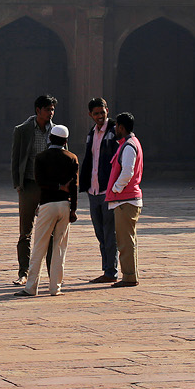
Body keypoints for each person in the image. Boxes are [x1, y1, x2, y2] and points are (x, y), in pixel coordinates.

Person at [17, 124, 78, 296]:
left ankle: (31, 288)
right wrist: (73, 209)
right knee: (59, 248)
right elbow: (74, 186)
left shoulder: (41, 157)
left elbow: (40, 182)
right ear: (66, 141)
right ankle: (55, 288)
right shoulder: (72, 158)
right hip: (65, 205)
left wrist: (55, 187)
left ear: (50, 138)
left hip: (47, 204)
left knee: (39, 246)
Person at [9, 94, 56, 286]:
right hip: (28, 184)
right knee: (25, 232)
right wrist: (18, 185)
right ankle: (24, 272)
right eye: (48, 109)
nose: (51, 113)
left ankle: (52, 272)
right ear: (38, 111)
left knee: (50, 232)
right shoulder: (23, 130)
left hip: (49, 187)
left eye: (52, 109)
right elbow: (16, 157)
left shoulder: (57, 131)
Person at [78, 97, 120, 284]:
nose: (100, 116)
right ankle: (107, 268)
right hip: (94, 190)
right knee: (100, 233)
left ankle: (111, 271)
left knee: (109, 232)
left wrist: (115, 186)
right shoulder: (91, 133)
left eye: (102, 112)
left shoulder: (114, 132)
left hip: (107, 190)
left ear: (107, 111)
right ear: (90, 115)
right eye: (96, 113)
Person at [105, 112, 144, 288]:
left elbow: (127, 172)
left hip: (125, 200)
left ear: (121, 127)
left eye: (116, 127)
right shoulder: (129, 144)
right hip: (127, 199)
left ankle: (129, 276)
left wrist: (116, 188)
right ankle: (130, 274)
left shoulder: (128, 146)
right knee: (128, 240)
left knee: (125, 242)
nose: (115, 130)